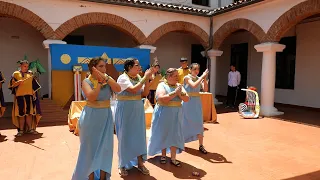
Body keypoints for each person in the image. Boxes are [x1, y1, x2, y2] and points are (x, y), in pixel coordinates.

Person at [72, 57, 121, 180]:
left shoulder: (108, 80)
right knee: (90, 149)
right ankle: (91, 177)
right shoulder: (86, 82)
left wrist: (106, 79)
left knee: (106, 148)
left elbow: (118, 89)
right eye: (100, 66)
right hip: (91, 116)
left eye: (104, 66)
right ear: (93, 68)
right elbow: (92, 97)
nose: (104, 69)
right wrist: (99, 83)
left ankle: (104, 177)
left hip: (106, 117)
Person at [115, 58, 153, 176]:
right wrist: (145, 77)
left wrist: (147, 80)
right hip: (125, 110)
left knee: (139, 136)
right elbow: (133, 90)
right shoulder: (122, 78)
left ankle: (140, 163)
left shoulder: (137, 78)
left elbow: (144, 93)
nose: (139, 67)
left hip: (137, 110)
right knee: (125, 136)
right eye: (136, 65)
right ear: (129, 67)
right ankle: (122, 165)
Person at [148, 68, 189, 167]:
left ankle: (173, 157)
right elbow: (161, 98)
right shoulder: (162, 85)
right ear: (169, 76)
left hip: (176, 114)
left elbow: (187, 98)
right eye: (175, 76)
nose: (177, 77)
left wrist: (179, 93)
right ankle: (163, 155)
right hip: (164, 113)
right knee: (164, 133)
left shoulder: (179, 86)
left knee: (175, 134)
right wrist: (175, 93)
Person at [9, 60, 41, 136]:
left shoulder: (30, 74)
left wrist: (34, 94)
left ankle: (30, 129)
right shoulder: (16, 74)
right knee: (21, 114)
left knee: (29, 114)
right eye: (24, 66)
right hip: (20, 97)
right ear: (20, 66)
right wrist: (18, 83)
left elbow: (34, 86)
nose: (26, 68)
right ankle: (21, 130)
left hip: (29, 97)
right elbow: (11, 85)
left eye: (27, 66)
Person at [182, 63, 209, 154]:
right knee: (185, 122)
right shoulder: (187, 77)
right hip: (188, 102)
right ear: (190, 69)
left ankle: (201, 145)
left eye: (198, 69)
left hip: (196, 103)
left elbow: (205, 89)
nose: (196, 71)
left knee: (199, 122)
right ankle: (180, 142)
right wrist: (202, 76)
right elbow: (193, 85)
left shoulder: (199, 78)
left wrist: (204, 79)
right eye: (195, 69)